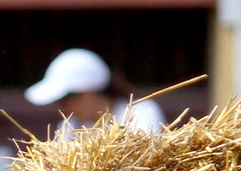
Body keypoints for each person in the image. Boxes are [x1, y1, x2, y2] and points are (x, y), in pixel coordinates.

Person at [25, 48, 166, 138]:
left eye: (64, 99)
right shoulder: (68, 128)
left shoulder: (140, 114)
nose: (62, 108)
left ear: (88, 93)